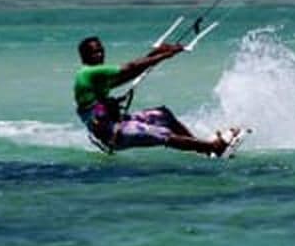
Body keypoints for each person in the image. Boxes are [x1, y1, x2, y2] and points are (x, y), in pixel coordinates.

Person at [74, 36, 235, 156]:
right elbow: (131, 67)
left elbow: (133, 72)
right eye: (94, 52)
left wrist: (155, 54)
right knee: (162, 133)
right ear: (84, 57)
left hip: (119, 123)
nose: (100, 54)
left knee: (163, 114)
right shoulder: (88, 72)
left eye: (101, 50)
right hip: (114, 135)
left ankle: (201, 147)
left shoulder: (98, 77)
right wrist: (164, 55)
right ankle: (213, 147)